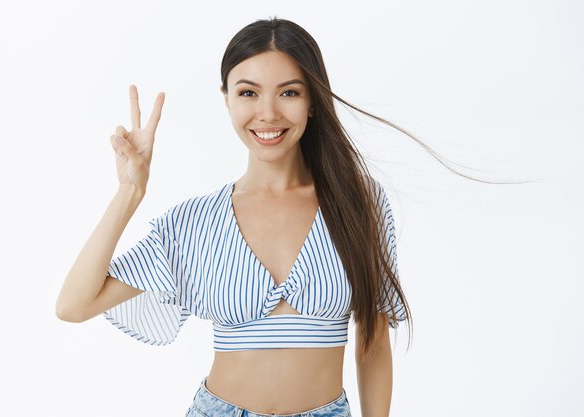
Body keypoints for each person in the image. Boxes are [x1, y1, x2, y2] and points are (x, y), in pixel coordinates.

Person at [56, 17, 412, 417]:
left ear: (312, 100)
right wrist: (129, 192)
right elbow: (74, 305)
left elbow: (374, 340)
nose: (268, 113)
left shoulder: (357, 204)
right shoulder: (197, 222)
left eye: (289, 92)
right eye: (248, 92)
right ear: (227, 99)